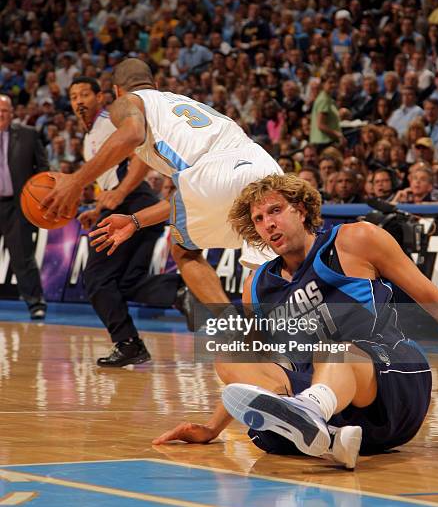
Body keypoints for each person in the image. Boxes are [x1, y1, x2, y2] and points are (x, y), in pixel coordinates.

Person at [153, 174, 438, 470]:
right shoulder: (257, 285)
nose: (268, 224)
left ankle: (309, 414)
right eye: (259, 219)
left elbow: (433, 298)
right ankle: (326, 437)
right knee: (230, 357)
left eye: (275, 210)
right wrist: (212, 428)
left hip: (393, 383)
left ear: (301, 210)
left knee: (334, 350)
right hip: (339, 412)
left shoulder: (353, 240)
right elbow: (255, 370)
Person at [42, 59, 282, 314]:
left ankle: (231, 327)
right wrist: (135, 221)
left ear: (117, 91)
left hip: (212, 174)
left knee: (184, 252)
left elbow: (133, 133)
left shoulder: (128, 102)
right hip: (262, 165)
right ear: (155, 85)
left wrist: (75, 181)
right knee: (266, 272)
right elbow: (189, 199)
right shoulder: (181, 103)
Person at [68, 76, 189, 367]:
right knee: (125, 282)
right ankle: (181, 290)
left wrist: (121, 192)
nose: (79, 101)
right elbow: (111, 181)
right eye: (73, 97)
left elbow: (143, 155)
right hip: (133, 205)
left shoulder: (112, 121)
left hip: (134, 205)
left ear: (101, 97)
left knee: (96, 279)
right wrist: (98, 209)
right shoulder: (90, 137)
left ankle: (127, 342)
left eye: (85, 94)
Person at [0, 95, 48, 319]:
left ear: (12, 113)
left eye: (5, 110)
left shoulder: (28, 135)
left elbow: (43, 168)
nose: (1, 114)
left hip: (18, 205)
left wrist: (40, 199)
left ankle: (35, 303)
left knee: (23, 257)